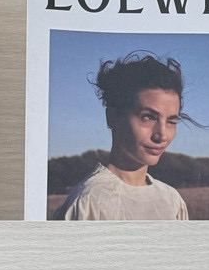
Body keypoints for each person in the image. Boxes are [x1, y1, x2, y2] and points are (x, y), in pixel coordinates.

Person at [54, 52, 194, 221]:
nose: (162, 135)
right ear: (112, 117)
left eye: (171, 121)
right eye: (148, 117)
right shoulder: (88, 202)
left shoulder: (172, 201)